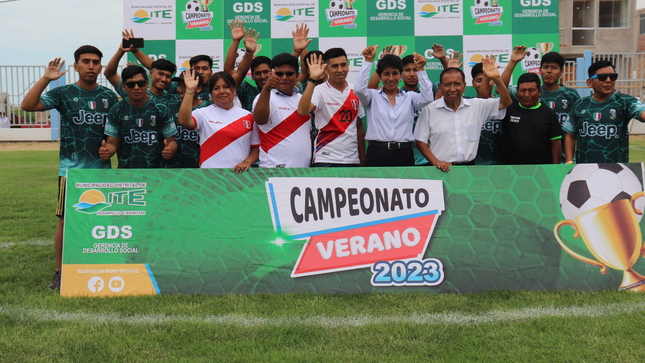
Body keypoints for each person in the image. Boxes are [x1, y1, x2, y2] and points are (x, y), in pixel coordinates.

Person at [20, 45, 119, 290]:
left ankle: (96, 264)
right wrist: (45, 79)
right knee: (66, 221)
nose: (91, 66)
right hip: (71, 170)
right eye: (85, 61)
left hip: (101, 170)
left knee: (103, 219)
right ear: (76, 66)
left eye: (96, 62)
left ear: (100, 66)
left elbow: (117, 130)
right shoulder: (64, 93)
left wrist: (111, 148)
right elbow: (27, 106)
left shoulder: (108, 96)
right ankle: (60, 272)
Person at [414, 56, 512, 172]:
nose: (452, 89)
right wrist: (436, 162)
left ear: (464, 86)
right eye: (447, 84)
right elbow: (420, 140)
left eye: (457, 84)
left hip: (469, 170)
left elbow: (506, 102)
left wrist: (497, 79)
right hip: (440, 170)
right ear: (440, 86)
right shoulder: (430, 110)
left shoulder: (477, 106)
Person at [355, 46, 434, 167]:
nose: (391, 78)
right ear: (380, 76)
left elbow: (428, 98)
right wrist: (368, 61)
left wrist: (421, 69)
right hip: (377, 152)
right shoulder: (372, 96)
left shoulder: (410, 97)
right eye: (386, 74)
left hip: (404, 153)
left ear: (401, 75)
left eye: (395, 73)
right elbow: (359, 89)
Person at [563, 60, 645, 163]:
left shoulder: (625, 101)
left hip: (616, 171)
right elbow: (570, 135)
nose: (608, 80)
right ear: (589, 82)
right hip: (584, 170)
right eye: (602, 77)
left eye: (612, 77)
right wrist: (569, 160)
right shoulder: (579, 104)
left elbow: (642, 112)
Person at [177, 70, 259, 171]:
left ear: (234, 90)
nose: (221, 91)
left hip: (239, 177)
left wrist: (247, 162)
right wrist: (189, 91)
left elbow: (256, 148)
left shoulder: (248, 116)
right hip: (210, 176)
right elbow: (183, 121)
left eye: (226, 87)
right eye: (216, 88)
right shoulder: (203, 113)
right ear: (211, 93)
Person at [296, 48, 365, 167]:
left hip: (352, 160)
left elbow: (359, 126)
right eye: (334, 66)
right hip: (325, 158)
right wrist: (313, 79)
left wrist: (362, 158)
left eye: (343, 65)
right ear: (326, 69)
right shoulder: (319, 91)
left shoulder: (356, 90)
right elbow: (302, 111)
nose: (340, 70)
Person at [100, 65, 178, 168]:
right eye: (131, 84)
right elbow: (112, 143)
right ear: (124, 86)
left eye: (140, 83)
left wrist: (170, 150)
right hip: (128, 173)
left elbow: (171, 141)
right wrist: (107, 151)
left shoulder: (161, 108)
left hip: (157, 173)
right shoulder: (116, 110)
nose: (136, 88)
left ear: (147, 83)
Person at [253, 53, 311, 168]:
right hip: (273, 170)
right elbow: (259, 120)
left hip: (304, 171)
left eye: (289, 74)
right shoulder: (264, 97)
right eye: (279, 74)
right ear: (272, 74)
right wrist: (266, 89)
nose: (284, 77)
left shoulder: (303, 100)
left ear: (297, 75)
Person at [501, 73, 562, 164]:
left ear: (539, 92)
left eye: (531, 90)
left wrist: (555, 168)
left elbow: (555, 143)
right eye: (522, 90)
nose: (526, 95)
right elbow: (499, 89)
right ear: (517, 91)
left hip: (540, 170)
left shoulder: (549, 113)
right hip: (511, 171)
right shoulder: (508, 110)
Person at [163, 71, 211, 168]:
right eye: (179, 86)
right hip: (175, 167)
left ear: (198, 88)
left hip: (202, 168)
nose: (180, 90)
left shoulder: (209, 109)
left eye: (184, 86)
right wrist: (169, 149)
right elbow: (169, 138)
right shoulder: (170, 107)